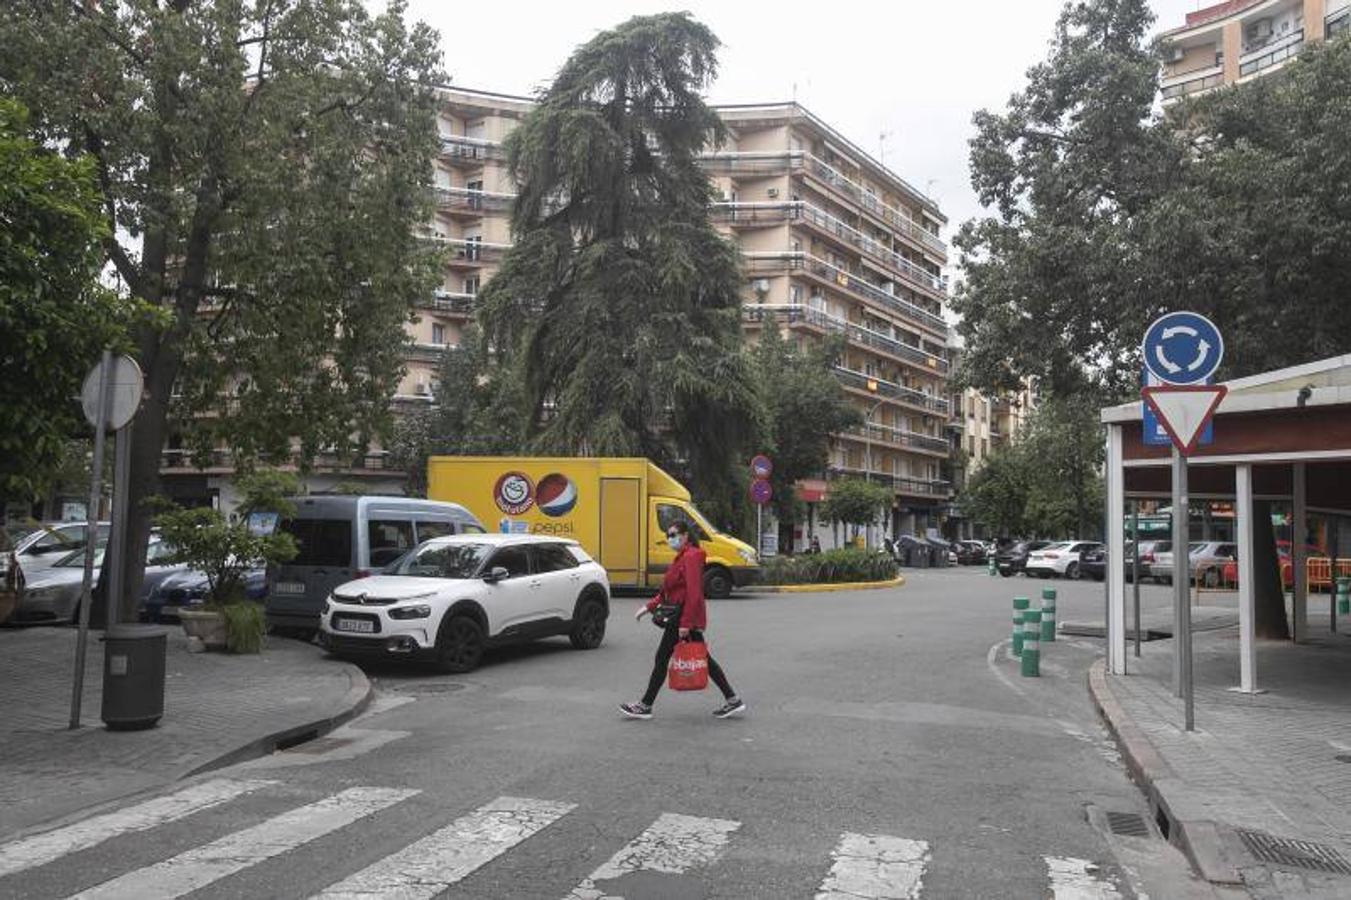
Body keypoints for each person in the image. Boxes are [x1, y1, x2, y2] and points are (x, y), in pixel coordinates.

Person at [620, 520, 744, 720]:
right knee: (703, 658)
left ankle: (645, 705)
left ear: (686, 535)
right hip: (680, 617)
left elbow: (694, 593)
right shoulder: (681, 557)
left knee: (662, 658)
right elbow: (669, 590)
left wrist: (686, 624)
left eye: (674, 534)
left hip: (683, 618)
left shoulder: (692, 557)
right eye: (668, 535)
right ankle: (733, 699)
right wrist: (648, 607)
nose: (670, 538)